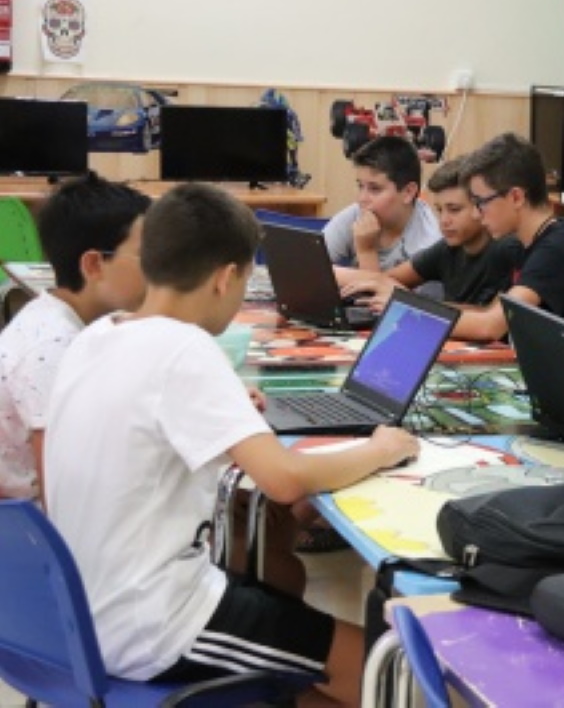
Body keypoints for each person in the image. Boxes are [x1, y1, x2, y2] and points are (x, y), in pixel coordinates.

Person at [43, 183, 418, 705]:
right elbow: (284, 481)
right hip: (151, 624)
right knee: (381, 668)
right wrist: (382, 449)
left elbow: (139, 427)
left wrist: (219, 412)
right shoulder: (186, 349)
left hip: (80, 611)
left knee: (302, 645)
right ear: (225, 278)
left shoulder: (99, 334)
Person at [0, 173, 150, 504]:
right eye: (147, 256)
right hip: (24, 520)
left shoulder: (70, 319)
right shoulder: (51, 347)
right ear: (94, 264)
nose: (158, 269)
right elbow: (60, 496)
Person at [455, 132, 564, 383]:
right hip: (539, 381)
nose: (476, 214)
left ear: (516, 197)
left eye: (480, 202)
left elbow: (490, 325)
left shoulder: (560, 248)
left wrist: (421, 321)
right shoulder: (524, 243)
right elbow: (491, 311)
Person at [340, 155, 521, 310]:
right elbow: (380, 283)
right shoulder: (446, 249)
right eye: (439, 210)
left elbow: (490, 317)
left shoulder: (505, 248)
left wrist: (409, 301)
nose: (444, 221)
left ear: (480, 206)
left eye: (454, 209)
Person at [325, 135, 440, 282]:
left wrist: (366, 251)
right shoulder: (357, 214)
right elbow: (306, 267)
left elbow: (378, 294)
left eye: (375, 189)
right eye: (360, 186)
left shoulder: (429, 243)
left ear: (408, 192)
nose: (362, 199)